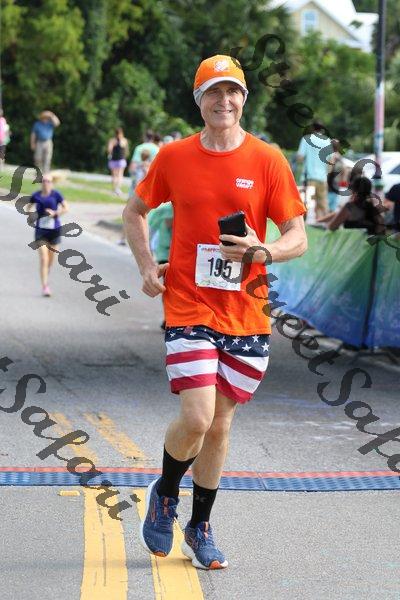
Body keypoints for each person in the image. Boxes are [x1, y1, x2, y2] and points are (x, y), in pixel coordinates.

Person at [123, 54, 307, 570]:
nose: (223, 101)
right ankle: (165, 493)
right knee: (198, 416)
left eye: (232, 92)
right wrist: (146, 266)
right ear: (198, 100)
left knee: (220, 427)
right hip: (189, 305)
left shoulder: (268, 159)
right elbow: (135, 211)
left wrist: (262, 251)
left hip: (247, 312)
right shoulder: (174, 156)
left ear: (244, 99)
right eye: (213, 92)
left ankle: (199, 525)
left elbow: (298, 236)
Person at [27, 173, 68, 296]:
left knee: (50, 261)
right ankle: (45, 287)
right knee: (44, 259)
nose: (45, 183)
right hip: (40, 231)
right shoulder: (36, 195)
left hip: (54, 231)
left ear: (52, 183)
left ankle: (46, 272)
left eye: (48, 181)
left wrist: (55, 213)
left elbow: (66, 208)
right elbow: (29, 207)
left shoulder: (56, 195)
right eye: (44, 181)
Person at [317, 176, 384, 235]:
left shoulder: (350, 207)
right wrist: (319, 221)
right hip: (368, 245)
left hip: (352, 244)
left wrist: (319, 224)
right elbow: (339, 214)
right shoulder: (373, 208)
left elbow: (332, 227)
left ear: (353, 189)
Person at [297, 121, 333, 219]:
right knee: (322, 205)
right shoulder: (327, 141)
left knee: (306, 204)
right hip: (322, 178)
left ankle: (305, 225)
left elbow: (300, 158)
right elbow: (331, 161)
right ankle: (323, 223)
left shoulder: (306, 139)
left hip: (309, 177)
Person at [327, 139, 348, 212]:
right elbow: (345, 169)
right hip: (336, 184)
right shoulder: (340, 157)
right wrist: (343, 180)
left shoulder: (330, 156)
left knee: (327, 206)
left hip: (328, 184)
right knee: (333, 207)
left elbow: (329, 169)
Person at [107, 127, 129, 196]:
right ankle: (118, 189)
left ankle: (114, 189)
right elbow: (126, 151)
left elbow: (109, 150)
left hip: (113, 160)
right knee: (120, 175)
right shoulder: (124, 140)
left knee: (114, 175)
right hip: (121, 160)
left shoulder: (112, 140)